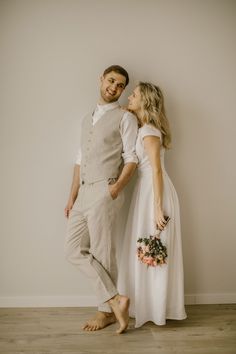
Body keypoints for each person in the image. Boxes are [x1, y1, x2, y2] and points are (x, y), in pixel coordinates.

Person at [64, 65, 138, 334]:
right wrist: (71, 197)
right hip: (83, 192)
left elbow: (131, 158)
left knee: (103, 253)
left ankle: (105, 312)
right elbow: (79, 160)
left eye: (120, 86)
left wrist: (116, 188)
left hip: (105, 190)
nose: (114, 88)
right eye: (111, 81)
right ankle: (116, 300)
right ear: (101, 79)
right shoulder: (87, 119)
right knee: (72, 249)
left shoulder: (125, 118)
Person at [118, 82, 187, 328]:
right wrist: (128, 113)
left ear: (144, 101)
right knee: (146, 247)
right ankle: (146, 305)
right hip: (146, 191)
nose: (129, 97)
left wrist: (158, 208)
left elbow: (157, 171)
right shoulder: (143, 127)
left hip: (154, 192)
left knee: (156, 248)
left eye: (133, 95)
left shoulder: (148, 131)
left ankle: (157, 308)